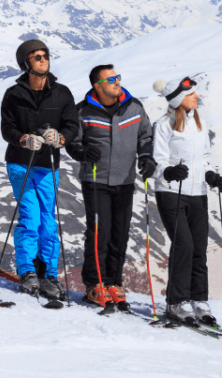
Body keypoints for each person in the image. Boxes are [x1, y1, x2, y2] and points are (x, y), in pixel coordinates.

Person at [66, 65, 155, 310]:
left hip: (125, 180)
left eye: (117, 77)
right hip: (96, 180)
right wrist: (83, 151)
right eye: (111, 79)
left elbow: (145, 137)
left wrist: (147, 157)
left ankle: (114, 283)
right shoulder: (82, 111)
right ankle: (95, 285)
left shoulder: (134, 107)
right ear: (98, 85)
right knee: (99, 233)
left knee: (120, 233)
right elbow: (72, 142)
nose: (117, 82)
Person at [0, 39, 78, 300]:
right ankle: (27, 271)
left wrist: (61, 138)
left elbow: (71, 125)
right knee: (30, 217)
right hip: (20, 163)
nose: (43, 59)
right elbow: (7, 128)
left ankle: (49, 274)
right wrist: (22, 139)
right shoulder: (13, 94)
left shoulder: (62, 93)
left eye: (45, 55)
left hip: (48, 165)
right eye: (36, 56)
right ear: (26, 63)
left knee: (48, 220)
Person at [151, 76, 222, 325]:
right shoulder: (163, 125)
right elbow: (158, 160)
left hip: (198, 193)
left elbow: (204, 157)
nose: (196, 96)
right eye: (192, 94)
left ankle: (198, 299)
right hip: (171, 192)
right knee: (184, 245)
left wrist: (211, 175)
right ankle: (176, 302)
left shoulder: (199, 124)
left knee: (199, 248)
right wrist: (168, 172)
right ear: (179, 98)